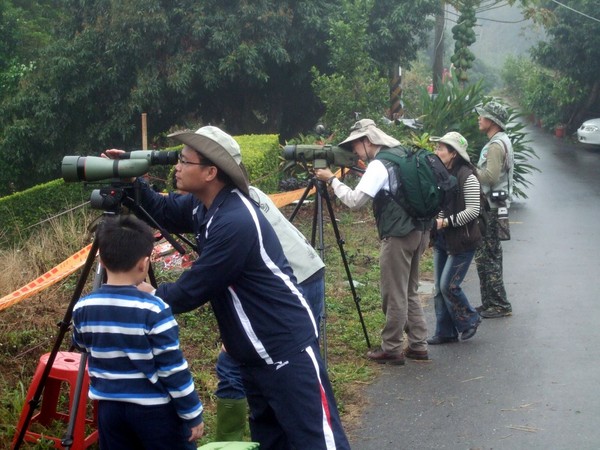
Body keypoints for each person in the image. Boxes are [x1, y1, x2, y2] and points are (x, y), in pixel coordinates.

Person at [104, 125, 349, 450]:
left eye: (184, 161)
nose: (176, 167)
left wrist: (147, 297)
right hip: (254, 357)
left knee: (317, 442)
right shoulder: (203, 206)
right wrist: (132, 183)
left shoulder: (235, 220)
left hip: (285, 349)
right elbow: (161, 210)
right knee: (274, 441)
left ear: (210, 171)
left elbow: (195, 286)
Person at [71, 215, 204, 450]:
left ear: (100, 260)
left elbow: (81, 344)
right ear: (145, 263)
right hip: (154, 412)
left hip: (109, 409)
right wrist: (191, 413)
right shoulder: (155, 309)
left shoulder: (83, 307)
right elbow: (172, 369)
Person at [214, 184, 326, 442]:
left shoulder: (229, 207)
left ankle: (228, 443)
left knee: (233, 361)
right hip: (307, 269)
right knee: (299, 365)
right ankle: (303, 428)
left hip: (294, 280)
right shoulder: (244, 191)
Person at [314, 119, 430, 365]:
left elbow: (355, 201)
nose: (355, 152)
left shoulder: (379, 164)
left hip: (398, 235)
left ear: (367, 141)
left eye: (355, 146)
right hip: (419, 230)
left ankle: (392, 348)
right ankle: (418, 344)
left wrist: (331, 180)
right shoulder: (402, 154)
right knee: (409, 291)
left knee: (394, 293)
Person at [427, 132, 482, 345]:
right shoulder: (442, 174)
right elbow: (442, 204)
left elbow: (473, 211)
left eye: (441, 148)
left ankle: (470, 319)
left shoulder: (467, 176)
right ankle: (445, 331)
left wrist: (446, 222)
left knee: (448, 285)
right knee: (438, 289)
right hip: (443, 238)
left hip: (463, 240)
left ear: (453, 153)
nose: (437, 151)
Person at [474, 101, 514, 318]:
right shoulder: (499, 141)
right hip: (496, 206)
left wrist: (469, 170)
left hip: (492, 207)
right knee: (487, 254)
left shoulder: (496, 146)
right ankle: (489, 302)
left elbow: (490, 177)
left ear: (492, 121)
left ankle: (499, 304)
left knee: (489, 255)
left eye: (483, 116)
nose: (479, 119)